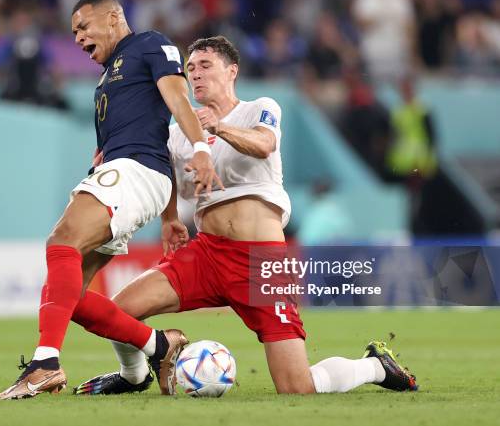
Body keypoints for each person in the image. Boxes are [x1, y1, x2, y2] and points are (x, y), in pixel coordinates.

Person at [72, 36, 418, 396]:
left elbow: (264, 144)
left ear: (232, 71)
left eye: (205, 66)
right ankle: (134, 375)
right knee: (120, 312)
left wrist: (216, 127)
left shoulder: (258, 109)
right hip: (206, 254)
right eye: (190, 68)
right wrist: (170, 217)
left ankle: (375, 366)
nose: (195, 75)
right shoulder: (179, 134)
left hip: (259, 260)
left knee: (297, 387)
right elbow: (163, 173)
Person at [0, 0, 223, 400]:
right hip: (125, 175)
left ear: (114, 17)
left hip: (133, 174)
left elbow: (177, 99)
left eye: (83, 26)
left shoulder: (151, 44)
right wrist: (170, 216)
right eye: (73, 33)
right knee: (66, 297)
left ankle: (46, 364)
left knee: (61, 241)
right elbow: (157, 144)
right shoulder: (105, 82)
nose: (79, 39)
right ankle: (158, 347)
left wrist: (202, 148)